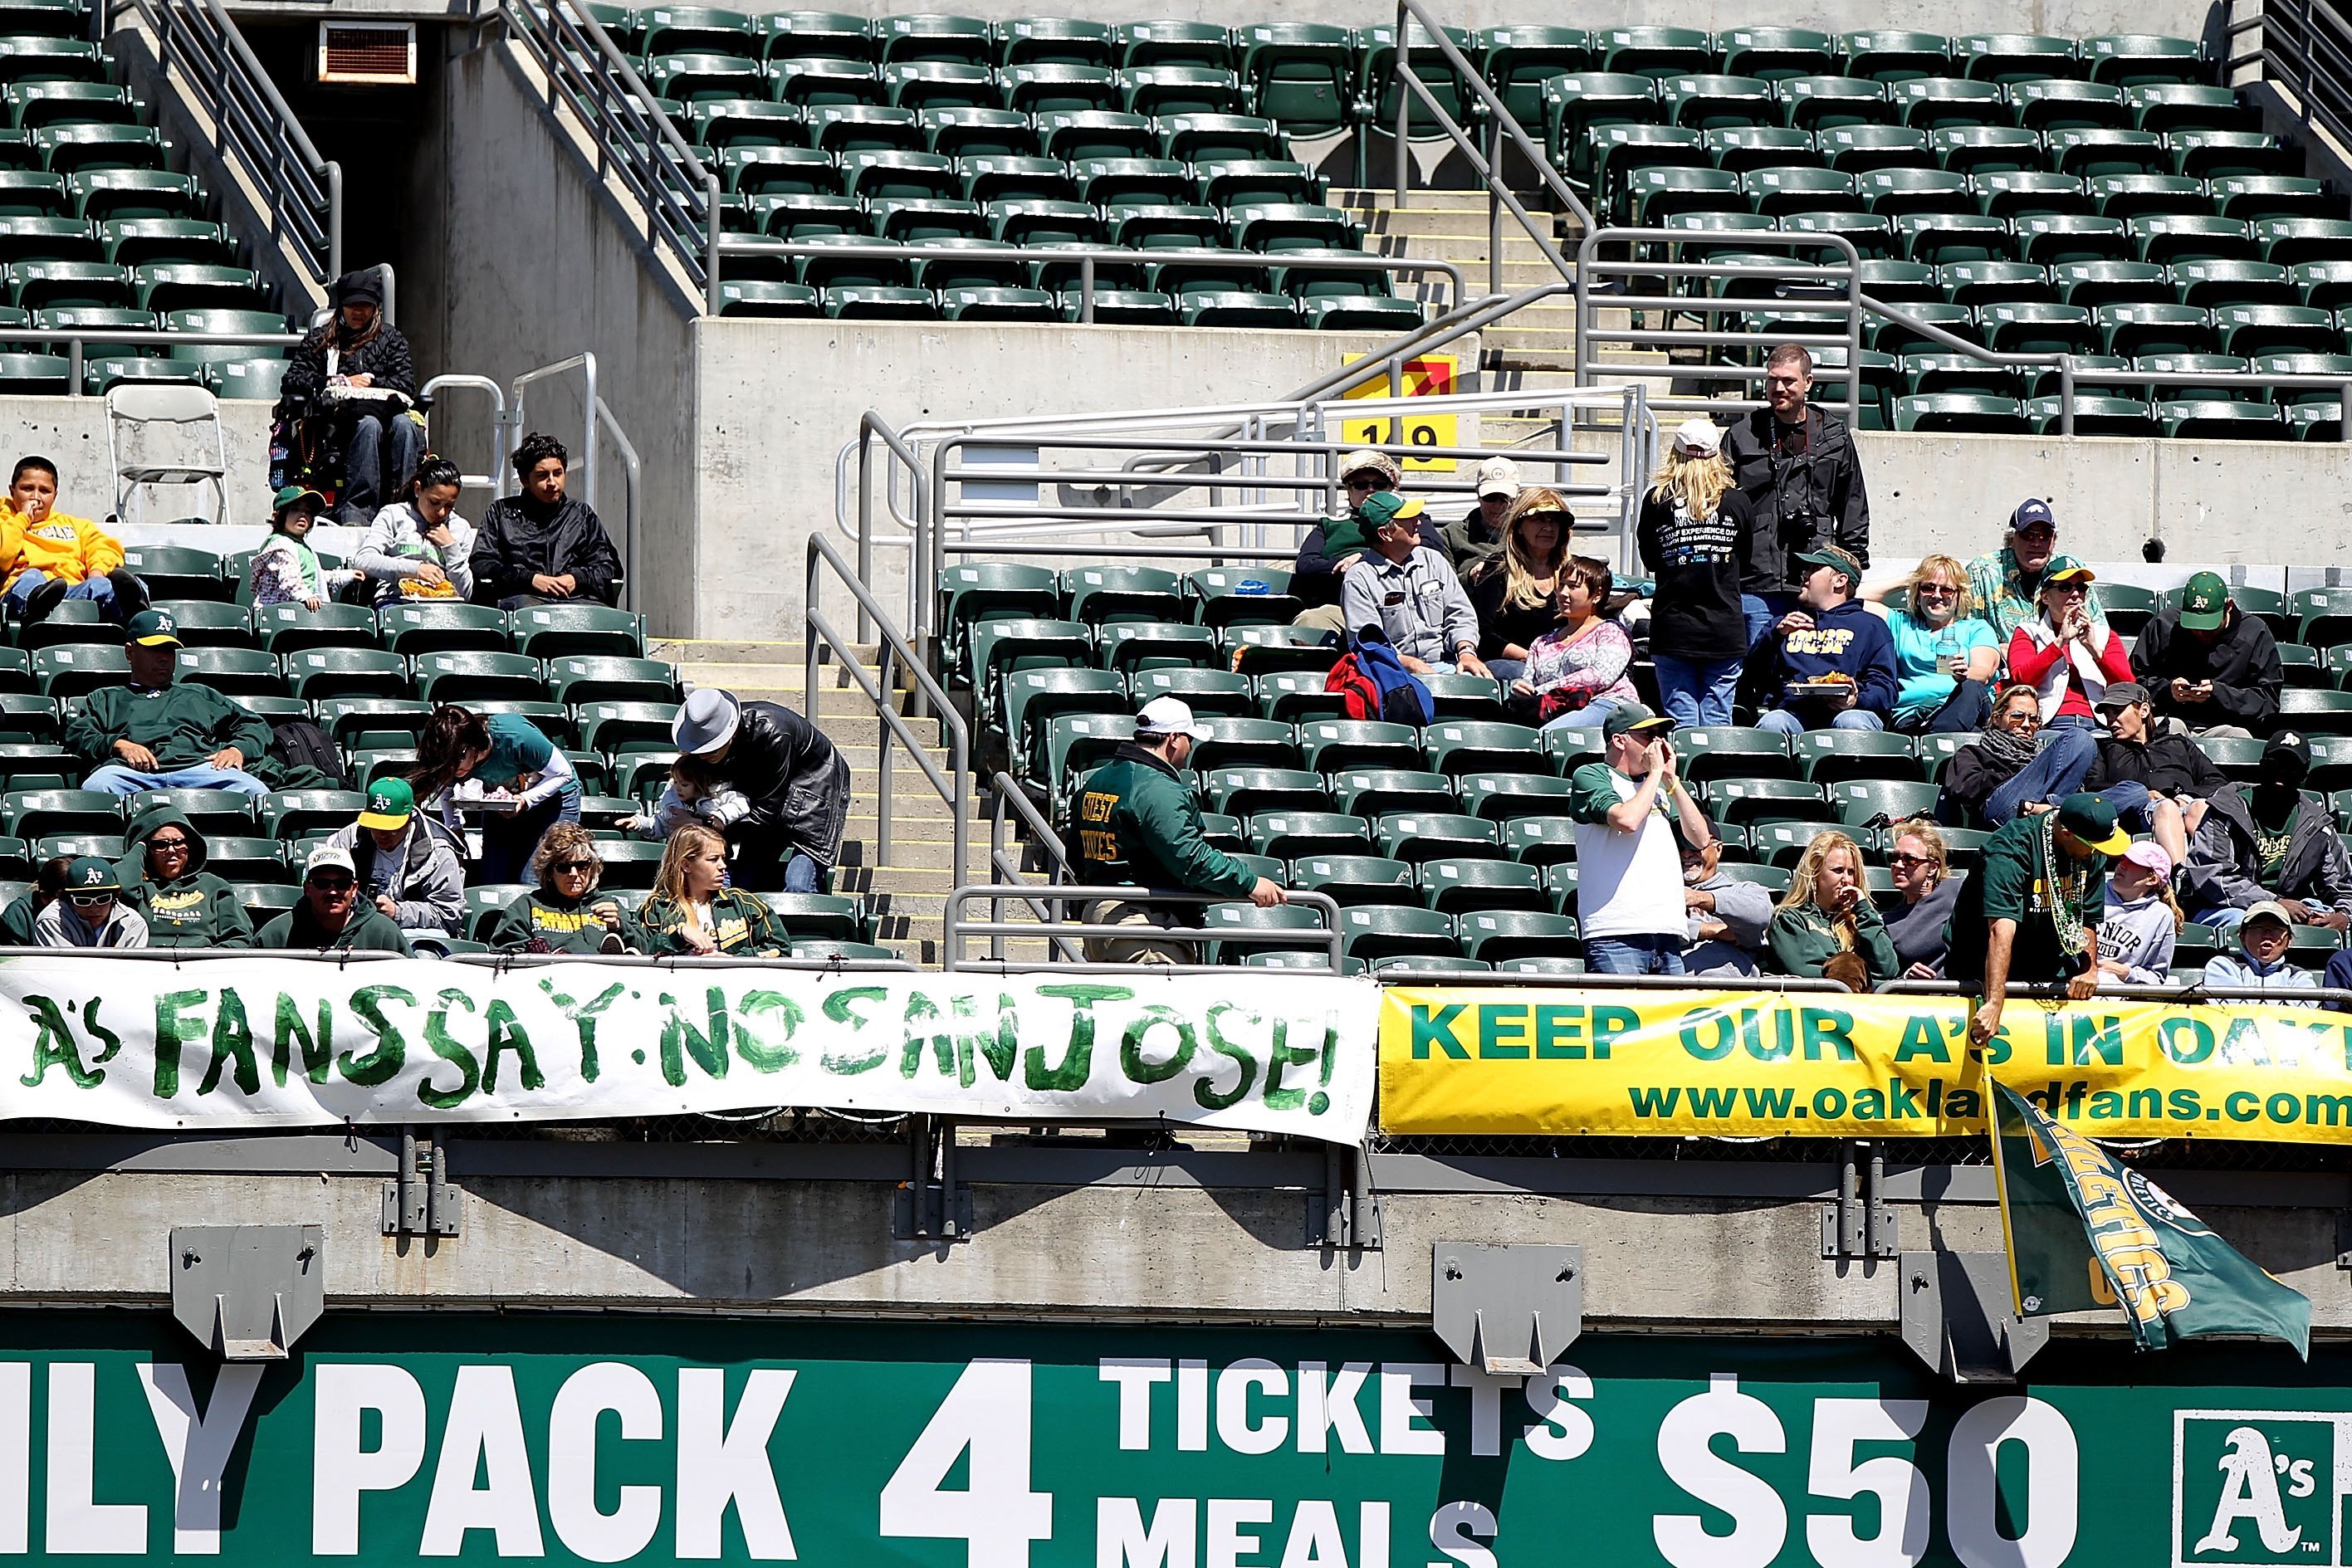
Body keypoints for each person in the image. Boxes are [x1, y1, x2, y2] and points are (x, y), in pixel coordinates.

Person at [1071, 696, 1284, 963]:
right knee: (1154, 1002)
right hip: (1144, 927)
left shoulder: (1097, 780)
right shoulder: (1157, 787)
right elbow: (1189, 856)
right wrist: (1249, 882)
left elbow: (1076, 857)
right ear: (1173, 739)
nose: (1190, 747)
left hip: (1102, 917)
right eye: (1188, 739)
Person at [1948, 792, 2130, 1046]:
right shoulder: (2010, 849)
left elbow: (2086, 916)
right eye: (2093, 847)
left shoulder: (2090, 850)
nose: (2098, 854)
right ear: (2067, 833)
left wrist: (2089, 969)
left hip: (2047, 970)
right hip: (1981, 973)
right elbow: (2001, 929)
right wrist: (1994, 1002)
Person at [1724, 343, 1871, 613]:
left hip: (1817, 579)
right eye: (1772, 380)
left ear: (1808, 382)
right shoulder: (1742, 434)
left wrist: (1851, 567)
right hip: (1756, 581)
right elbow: (1719, 504)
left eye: (1789, 380)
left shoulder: (1834, 436)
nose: (1779, 388)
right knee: (1760, 654)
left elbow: (1853, 505)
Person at [66, 610, 273, 798]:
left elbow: (254, 725)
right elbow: (78, 735)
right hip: (130, 773)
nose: (163, 658)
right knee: (97, 788)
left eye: (168, 649)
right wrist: (119, 745)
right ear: (130, 652)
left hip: (198, 769)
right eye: (154, 649)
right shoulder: (106, 698)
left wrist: (237, 749)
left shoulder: (198, 694)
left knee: (255, 791)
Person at [1568, 705, 1710, 975]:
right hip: (1616, 932)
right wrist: (1656, 773)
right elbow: (1627, 820)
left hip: (1667, 931)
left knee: (1672, 1018)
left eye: (1660, 735)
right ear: (1620, 740)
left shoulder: (1656, 786)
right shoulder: (1593, 774)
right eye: (1648, 735)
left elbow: (1701, 838)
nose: (1658, 743)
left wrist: (1672, 781)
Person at [669, 688, 851, 893]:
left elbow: (765, 814)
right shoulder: (711, 743)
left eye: (710, 748)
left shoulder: (774, 731)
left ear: (730, 733)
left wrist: (704, 824)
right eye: (700, 749)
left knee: (798, 883)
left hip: (817, 789)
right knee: (744, 883)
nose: (703, 757)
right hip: (763, 794)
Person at [1639, 418, 1759, 726]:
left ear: (1674, 453)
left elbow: (1651, 560)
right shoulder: (1737, 501)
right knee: (1718, 717)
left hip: (1673, 627)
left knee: (1681, 721)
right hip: (1724, 628)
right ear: (1717, 454)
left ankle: (1685, 776)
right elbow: (1744, 562)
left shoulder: (1656, 501)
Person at [281, 268, 422, 523]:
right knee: (368, 427)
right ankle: (358, 511)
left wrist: (372, 382)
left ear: (375, 307)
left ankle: (404, 509)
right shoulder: (322, 339)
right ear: (341, 306)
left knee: (406, 426)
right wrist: (335, 381)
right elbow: (292, 380)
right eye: (351, 305)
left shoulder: (391, 339)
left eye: (365, 306)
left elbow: (406, 383)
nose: (358, 312)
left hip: (387, 414)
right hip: (337, 423)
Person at [2180, 730, 2352, 934]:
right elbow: (2213, 877)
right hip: (2222, 908)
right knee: (2247, 924)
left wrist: (2344, 916)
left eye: (2292, 768)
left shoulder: (2318, 825)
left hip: (2290, 910)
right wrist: (2274, 904)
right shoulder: (2226, 810)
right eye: (2275, 764)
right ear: (2261, 766)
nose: (2281, 773)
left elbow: (2343, 887)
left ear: (2304, 776)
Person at [408, 706, 579, 884]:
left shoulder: (516, 737)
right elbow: (447, 790)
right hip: (505, 802)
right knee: (494, 879)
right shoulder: (453, 761)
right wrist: (455, 829)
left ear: (473, 746)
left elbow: (563, 773)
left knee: (532, 879)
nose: (452, 769)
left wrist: (526, 800)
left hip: (554, 796)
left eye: (456, 762)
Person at [1742, 545, 1898, 735]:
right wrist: (1775, 636)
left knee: (1852, 722)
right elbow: (1751, 677)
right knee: (1773, 722)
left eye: (1814, 569)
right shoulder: (1783, 625)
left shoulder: (1871, 627)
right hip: (1794, 712)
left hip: (1852, 711)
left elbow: (1886, 687)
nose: (1804, 575)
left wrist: (1857, 700)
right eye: (1806, 569)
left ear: (1840, 581)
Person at [1340, 493, 1489, 677]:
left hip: (1447, 664)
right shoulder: (1359, 578)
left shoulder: (1434, 561)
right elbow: (1370, 644)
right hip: (1392, 672)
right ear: (1385, 534)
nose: (1418, 522)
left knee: (1479, 683)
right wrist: (1410, 664)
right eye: (1407, 519)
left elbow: (1460, 614)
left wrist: (1466, 652)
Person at [470, 432, 623, 609]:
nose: (552, 483)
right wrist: (530, 579)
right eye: (542, 476)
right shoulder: (501, 514)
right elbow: (482, 564)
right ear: (525, 480)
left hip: (575, 603)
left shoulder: (581, 516)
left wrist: (576, 578)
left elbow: (608, 566)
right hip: (521, 604)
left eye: (558, 473)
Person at [2082, 681, 2223, 868]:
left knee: (2200, 807)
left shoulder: (2178, 743)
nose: (2111, 721)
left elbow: (2217, 781)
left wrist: (2186, 797)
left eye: (2117, 712)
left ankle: (2219, 876)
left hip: (2187, 806)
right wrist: (2143, 794)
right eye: (2108, 715)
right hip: (2140, 815)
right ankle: (2178, 875)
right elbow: (2093, 787)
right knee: (2166, 807)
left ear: (2143, 710)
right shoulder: (2105, 749)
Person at [2130, 569, 2283, 738]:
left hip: (2227, 726)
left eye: (2210, 625)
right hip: (2171, 720)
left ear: (2228, 607)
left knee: (2240, 737)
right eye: (2195, 625)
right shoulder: (2165, 624)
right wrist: (2168, 690)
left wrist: (2219, 693)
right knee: (2165, 728)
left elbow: (2268, 700)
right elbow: (2133, 681)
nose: (2201, 632)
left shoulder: (2254, 632)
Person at [0, 456, 146, 626]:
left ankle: (134, 615)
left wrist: (97, 573)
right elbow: (3, 557)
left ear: (55, 495)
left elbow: (103, 547)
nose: (36, 497)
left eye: (45, 491)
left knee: (106, 586)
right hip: (22, 594)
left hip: (71, 592)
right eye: (27, 488)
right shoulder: (5, 520)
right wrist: (23, 518)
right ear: (12, 491)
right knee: (32, 577)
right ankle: (36, 614)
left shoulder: (76, 525)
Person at [1865, 554, 2000, 733]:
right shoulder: (1902, 624)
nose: (1936, 595)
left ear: (1960, 595)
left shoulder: (1975, 628)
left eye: (1946, 590)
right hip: (1913, 716)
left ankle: (1938, 741)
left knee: (1971, 688)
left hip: (1966, 708)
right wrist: (1909, 580)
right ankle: (1941, 743)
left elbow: (1983, 673)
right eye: (1928, 588)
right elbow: (1848, 597)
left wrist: (1965, 673)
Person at [2006, 556, 2134, 735]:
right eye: (2065, 587)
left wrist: (2095, 651)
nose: (2075, 594)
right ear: (2046, 597)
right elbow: (2021, 680)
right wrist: (2059, 643)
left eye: (2080, 588)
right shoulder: (2028, 632)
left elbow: (2127, 686)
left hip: (2099, 722)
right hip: (2049, 723)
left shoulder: (2104, 635)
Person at [1939, 682, 2095, 828]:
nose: (2026, 725)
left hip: (2040, 810)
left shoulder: (2045, 756)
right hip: (2002, 810)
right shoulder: (1973, 753)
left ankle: (2048, 809)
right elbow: (1966, 788)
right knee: (2078, 736)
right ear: (1997, 719)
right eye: (2018, 716)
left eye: (2033, 719)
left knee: (2086, 746)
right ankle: (2055, 809)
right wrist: (2016, 775)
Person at [323, 778, 464, 937]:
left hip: (413, 934)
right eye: (376, 826)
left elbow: (448, 914)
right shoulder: (351, 838)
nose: (382, 834)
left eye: (392, 828)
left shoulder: (437, 851)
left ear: (409, 819)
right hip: (357, 927)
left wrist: (398, 912)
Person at [1513, 556, 1636, 730]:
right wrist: (1521, 689)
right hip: (1555, 710)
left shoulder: (1611, 632)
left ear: (1598, 594)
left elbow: (1601, 676)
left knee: (1549, 735)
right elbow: (1529, 684)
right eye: (1561, 585)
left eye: (1573, 587)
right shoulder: (1541, 643)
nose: (1563, 593)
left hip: (1606, 705)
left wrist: (1545, 688)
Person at [1965, 497, 2108, 647]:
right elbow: (1966, 631)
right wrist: (1993, 652)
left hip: (2063, 660)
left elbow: (2099, 630)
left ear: (2054, 540)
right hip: (2003, 665)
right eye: (2027, 535)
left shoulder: (2072, 569)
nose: (2036, 543)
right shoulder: (1982, 571)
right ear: (2012, 539)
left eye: (2044, 536)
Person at [637, 824, 795, 956]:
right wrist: (678, 937)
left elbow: (780, 948)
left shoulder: (743, 903)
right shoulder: (657, 907)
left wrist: (733, 960)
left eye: (723, 858)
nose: (722, 866)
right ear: (686, 865)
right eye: (713, 860)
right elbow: (639, 950)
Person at [113, 801, 254, 949]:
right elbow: (121, 888)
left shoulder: (213, 886)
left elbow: (240, 936)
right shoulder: (140, 887)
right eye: (161, 845)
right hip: (148, 964)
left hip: (202, 964)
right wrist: (138, 846)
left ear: (190, 846)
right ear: (148, 851)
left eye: (179, 842)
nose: (172, 850)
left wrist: (210, 959)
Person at [1765, 829, 1900, 983]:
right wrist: (1868, 983)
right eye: (1838, 871)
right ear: (1815, 873)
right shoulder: (1787, 919)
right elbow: (1810, 973)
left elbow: (1888, 969)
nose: (1847, 880)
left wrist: (1864, 909)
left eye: (1851, 872)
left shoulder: (1861, 920)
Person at [1463, 487, 1567, 682]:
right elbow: (1484, 635)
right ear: (1519, 526)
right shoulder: (1498, 569)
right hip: (1512, 665)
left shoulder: (1573, 571)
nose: (1548, 527)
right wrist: (1532, 658)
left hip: (1564, 663)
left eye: (1555, 520)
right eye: (1539, 519)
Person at [484, 823, 636, 954]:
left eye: (582, 865)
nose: (574, 874)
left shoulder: (609, 905)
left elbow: (643, 948)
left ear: (592, 867)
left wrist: (618, 926)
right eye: (564, 867)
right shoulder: (527, 905)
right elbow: (503, 952)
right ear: (550, 871)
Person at [353, 453, 477, 606]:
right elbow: (363, 560)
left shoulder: (460, 527)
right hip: (396, 600)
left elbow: (467, 592)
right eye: (434, 502)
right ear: (418, 489)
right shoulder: (394, 515)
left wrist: (450, 547)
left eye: (449, 506)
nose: (441, 512)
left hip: (445, 605)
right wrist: (415, 569)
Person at [259, 844, 413, 953]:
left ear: (354, 889)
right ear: (307, 888)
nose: (332, 892)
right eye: (322, 884)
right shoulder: (278, 933)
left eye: (342, 883)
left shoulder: (384, 933)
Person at [1678, 822, 1774, 976]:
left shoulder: (1743, 890)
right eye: (1680, 847)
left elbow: (1760, 916)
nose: (1686, 854)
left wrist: (1701, 899)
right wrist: (1711, 930)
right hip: (1672, 990)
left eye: (1695, 846)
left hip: (1732, 992)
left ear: (1718, 849)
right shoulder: (1662, 891)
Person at [247, 484, 362, 610]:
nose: (302, 515)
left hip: (299, 611)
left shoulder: (303, 548)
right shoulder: (281, 545)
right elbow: (290, 579)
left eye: (308, 512)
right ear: (278, 516)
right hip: (275, 613)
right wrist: (305, 596)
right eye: (295, 509)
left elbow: (315, 577)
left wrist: (346, 575)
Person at [1885, 818, 1964, 979]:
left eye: (1909, 859)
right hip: (1920, 999)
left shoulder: (1958, 891)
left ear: (1932, 868)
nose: (1898, 865)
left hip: (1965, 994)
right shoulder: (1888, 922)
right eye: (1894, 857)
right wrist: (1906, 978)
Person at [2096, 840, 2181, 987]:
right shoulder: (2094, 893)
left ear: (2152, 879)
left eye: (2132, 863)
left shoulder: (2161, 916)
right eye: (2123, 859)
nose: (2121, 865)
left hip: (2119, 995)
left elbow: (2157, 978)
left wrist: (2128, 974)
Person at [622, 749, 748, 841]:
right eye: (675, 782)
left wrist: (719, 817)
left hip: (711, 854)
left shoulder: (716, 796)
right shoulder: (674, 804)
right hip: (680, 858)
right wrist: (639, 823)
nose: (678, 788)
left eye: (685, 785)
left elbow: (741, 802)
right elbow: (661, 825)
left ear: (700, 784)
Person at [2201, 900, 2317, 1000]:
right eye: (2258, 928)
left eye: (2276, 929)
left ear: (2289, 941)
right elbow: (2226, 1013)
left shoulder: (2299, 977)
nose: (2267, 935)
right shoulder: (2222, 967)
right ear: (2242, 937)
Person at [32, 856, 147, 949]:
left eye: (102, 899)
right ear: (68, 900)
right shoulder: (51, 920)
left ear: (114, 898)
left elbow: (130, 974)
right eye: (83, 901)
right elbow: (66, 972)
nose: (94, 907)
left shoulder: (133, 923)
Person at [1441, 456, 1518, 571]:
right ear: (1478, 494)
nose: (1497, 505)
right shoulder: (1452, 535)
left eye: (1505, 499)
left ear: (1516, 497)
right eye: (1490, 497)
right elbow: (1445, 584)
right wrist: (1470, 577)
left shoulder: (1529, 535)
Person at [0, 857, 71, 945]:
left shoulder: (85, 911)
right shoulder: (18, 915)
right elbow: (14, 956)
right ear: (45, 897)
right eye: (68, 899)